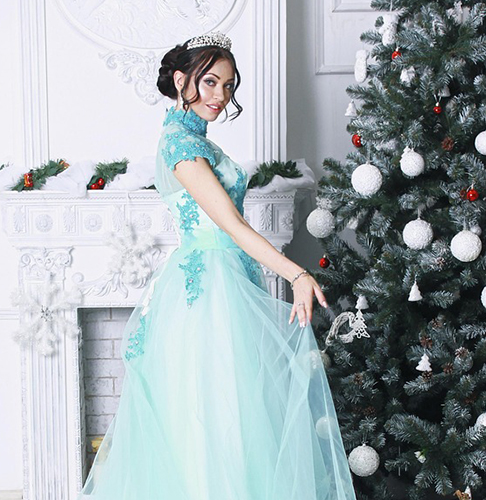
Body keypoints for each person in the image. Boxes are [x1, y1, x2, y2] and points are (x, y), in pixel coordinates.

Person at [78, 32, 357, 500]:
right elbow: (230, 224)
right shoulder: (179, 145)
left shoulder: (193, 139)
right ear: (181, 80)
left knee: (236, 414)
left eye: (227, 85)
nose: (220, 96)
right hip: (208, 287)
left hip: (227, 278)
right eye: (209, 82)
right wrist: (297, 273)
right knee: (216, 415)